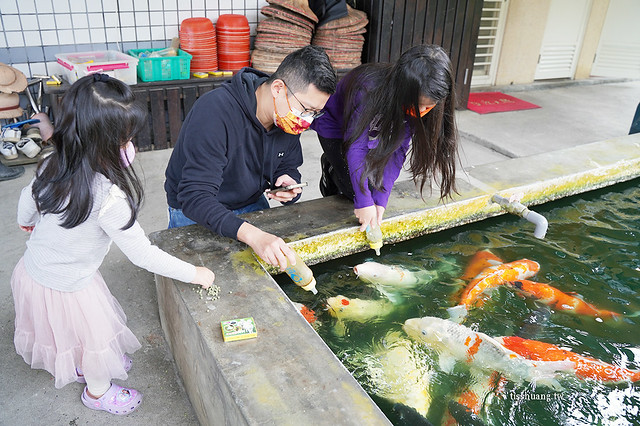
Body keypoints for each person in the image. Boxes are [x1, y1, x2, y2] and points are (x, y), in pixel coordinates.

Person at [11, 73, 215, 415]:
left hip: (33, 272)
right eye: (125, 139)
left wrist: (27, 221)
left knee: (65, 329)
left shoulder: (52, 162)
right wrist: (195, 273)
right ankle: (97, 391)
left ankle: (82, 365)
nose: (130, 145)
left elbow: (26, 197)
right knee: (93, 336)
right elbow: (143, 254)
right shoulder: (109, 197)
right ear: (102, 142)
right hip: (71, 286)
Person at [164, 45, 336, 271]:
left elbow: (288, 163)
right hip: (197, 212)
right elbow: (195, 197)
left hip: (250, 203)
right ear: (277, 88)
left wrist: (287, 179)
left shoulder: (285, 119)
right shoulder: (214, 112)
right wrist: (253, 235)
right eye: (305, 109)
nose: (307, 121)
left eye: (315, 113)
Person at [311, 44, 459, 232]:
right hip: (335, 124)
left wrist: (381, 200)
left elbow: (398, 150)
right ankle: (331, 169)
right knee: (353, 191)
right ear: (403, 88)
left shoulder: (423, 100)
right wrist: (364, 203)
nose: (421, 112)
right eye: (418, 105)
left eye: (428, 106)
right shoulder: (368, 89)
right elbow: (356, 147)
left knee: (373, 189)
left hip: (377, 123)